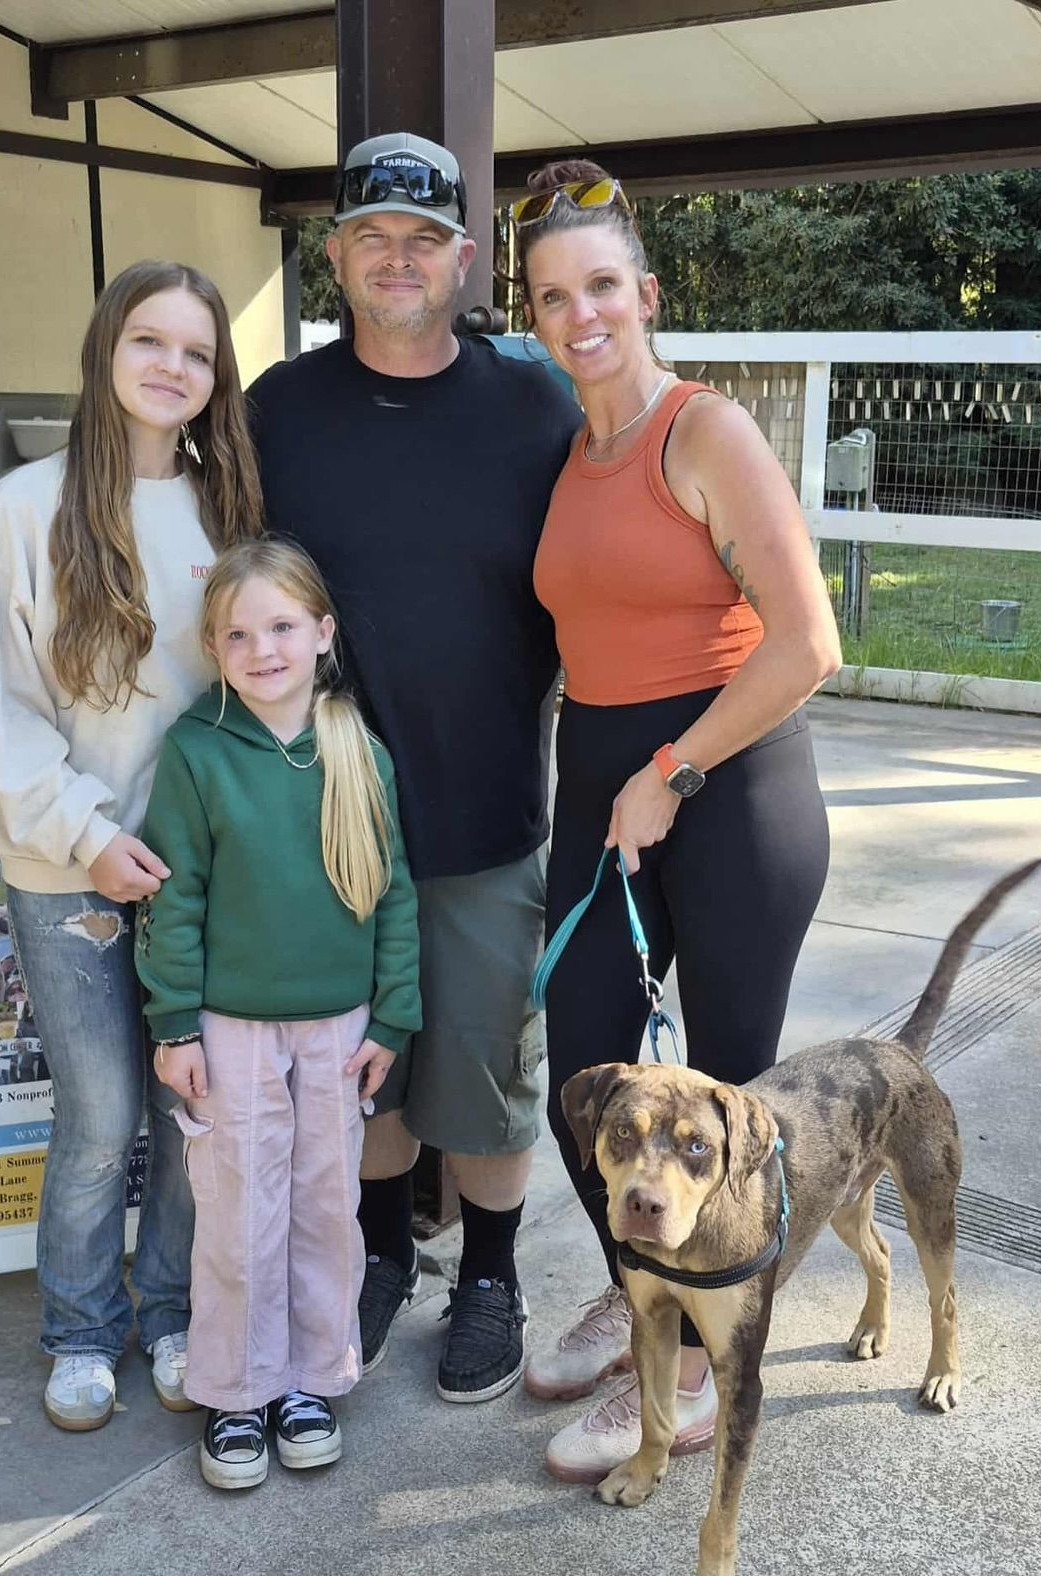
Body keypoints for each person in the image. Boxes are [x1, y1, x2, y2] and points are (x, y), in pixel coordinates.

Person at [512, 161, 842, 1479]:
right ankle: (639, 1280)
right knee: (589, 1088)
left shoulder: (704, 433)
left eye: (602, 286)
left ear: (644, 295)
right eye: (553, 295)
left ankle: (700, 1360)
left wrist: (675, 773)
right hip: (606, 782)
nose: (580, 313)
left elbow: (807, 643)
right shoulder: (570, 447)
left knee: (727, 1107)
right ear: (534, 317)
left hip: (734, 783)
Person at [247, 133, 580, 1404]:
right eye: (373, 236)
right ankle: (383, 1256)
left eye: (424, 238)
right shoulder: (280, 410)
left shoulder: (533, 401)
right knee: (362, 1065)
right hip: (330, 816)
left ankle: (489, 1277)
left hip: (489, 803)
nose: (399, 258)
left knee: (486, 1067)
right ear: (336, 254)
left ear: (463, 259)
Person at [0, 259, 263, 1432]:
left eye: (196, 353)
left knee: (192, 1112)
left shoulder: (227, 512)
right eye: (150, 341)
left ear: (213, 378)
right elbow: (6, 709)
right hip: (69, 873)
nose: (171, 368)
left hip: (201, 876)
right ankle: (82, 1330)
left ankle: (172, 1312)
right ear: (105, 350)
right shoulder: (25, 510)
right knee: (99, 1118)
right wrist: (88, 839)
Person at [137, 539, 421, 1489]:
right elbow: (172, 900)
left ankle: (308, 1379)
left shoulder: (357, 750)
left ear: (323, 634)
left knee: (324, 1208)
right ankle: (234, 1392)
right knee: (237, 1212)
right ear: (213, 647)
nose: (263, 649)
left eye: (283, 627)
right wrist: (173, 1026)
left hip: (339, 1031)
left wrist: (392, 1019)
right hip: (229, 1030)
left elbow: (392, 893)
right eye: (239, 633)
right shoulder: (194, 751)